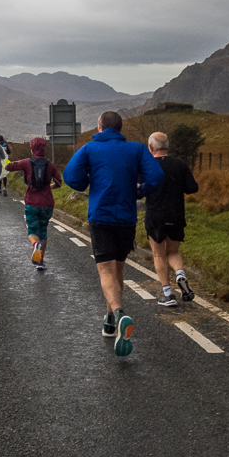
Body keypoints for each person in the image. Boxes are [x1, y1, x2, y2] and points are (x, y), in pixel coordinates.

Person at [63, 111, 163, 356]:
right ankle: (110, 320)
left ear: (100, 127)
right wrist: (140, 190)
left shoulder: (89, 149)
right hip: (126, 217)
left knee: (105, 269)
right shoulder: (138, 149)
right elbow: (157, 176)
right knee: (118, 267)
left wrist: (88, 182)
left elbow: (70, 177)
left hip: (101, 215)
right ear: (119, 128)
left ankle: (119, 312)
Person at [144, 132, 200, 305]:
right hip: (176, 215)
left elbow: (140, 188)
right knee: (173, 252)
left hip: (155, 216)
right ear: (167, 146)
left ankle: (168, 294)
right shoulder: (180, 164)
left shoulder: (148, 165)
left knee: (159, 255)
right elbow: (192, 188)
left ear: (151, 148)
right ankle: (180, 274)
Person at [4, 136, 62, 271]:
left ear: (32, 149)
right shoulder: (50, 165)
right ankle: (41, 261)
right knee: (43, 231)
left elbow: (8, 166)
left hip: (32, 202)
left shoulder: (26, 163)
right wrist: (49, 187)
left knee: (32, 231)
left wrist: (7, 159)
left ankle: (36, 245)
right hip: (47, 203)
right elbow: (59, 183)